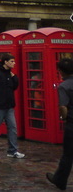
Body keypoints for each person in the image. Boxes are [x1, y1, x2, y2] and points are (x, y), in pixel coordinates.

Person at [47, 57, 73, 190]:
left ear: (61, 71)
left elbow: (63, 106)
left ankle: (60, 180)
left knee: (68, 154)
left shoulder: (63, 86)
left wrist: (63, 117)